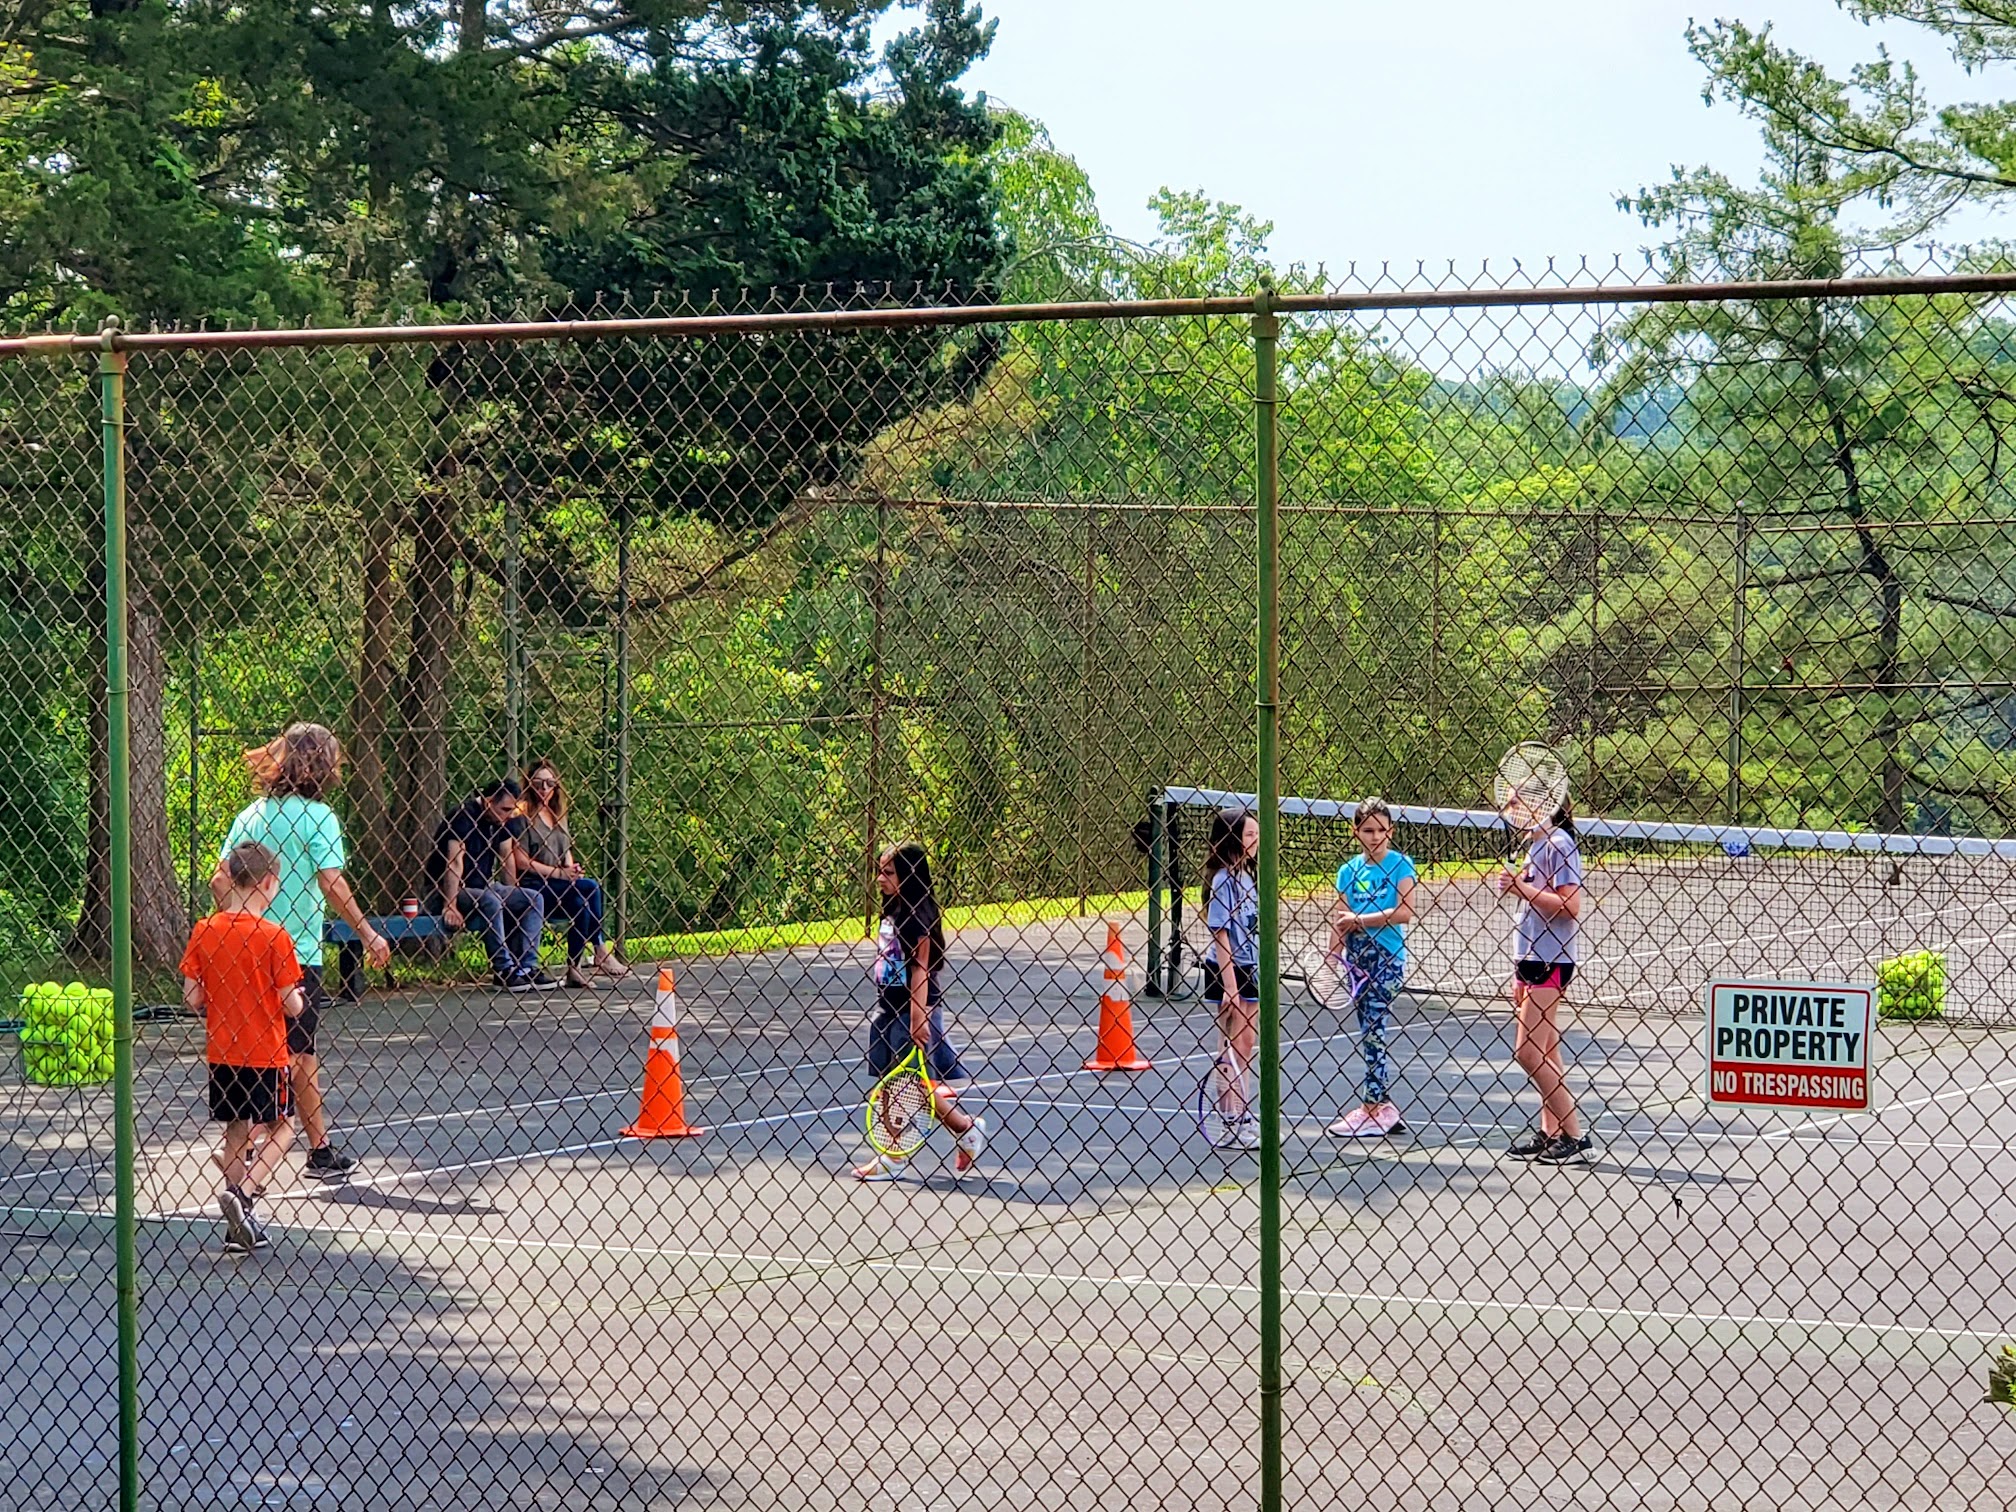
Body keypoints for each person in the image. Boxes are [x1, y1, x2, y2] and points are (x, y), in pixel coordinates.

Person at [216, 722, 386, 1181]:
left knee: (283, 1051)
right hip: (294, 954)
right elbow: (331, 881)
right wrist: (367, 933)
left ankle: (309, 1147)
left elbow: (219, 880)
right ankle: (264, 1146)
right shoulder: (319, 817)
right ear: (321, 765)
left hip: (246, 953)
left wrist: (235, 922)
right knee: (294, 1055)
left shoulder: (250, 815)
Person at [183, 841, 305, 1253]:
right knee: (283, 1125)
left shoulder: (205, 930)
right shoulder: (274, 936)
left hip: (223, 1051)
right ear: (268, 883)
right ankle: (245, 1193)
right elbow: (291, 1003)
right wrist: (298, 997)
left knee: (236, 1129)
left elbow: (192, 997)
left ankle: (237, 1225)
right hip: (265, 1050)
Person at [851, 843, 987, 1182]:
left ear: (909, 875)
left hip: (911, 1012)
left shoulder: (915, 919)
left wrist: (917, 1017)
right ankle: (965, 1128)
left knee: (902, 1086)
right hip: (887, 1009)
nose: (879, 878)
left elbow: (920, 970)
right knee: (899, 1082)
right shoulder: (893, 910)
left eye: (888, 872)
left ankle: (893, 1156)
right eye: (879, 871)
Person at [1497, 795, 1590, 1165]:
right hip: (1530, 958)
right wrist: (1518, 967)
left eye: (1517, 801)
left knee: (1527, 1052)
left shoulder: (1559, 844)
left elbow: (1570, 906)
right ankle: (1550, 1131)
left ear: (1543, 804)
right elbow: (1532, 910)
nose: (1511, 809)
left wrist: (1521, 888)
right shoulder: (1535, 845)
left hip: (1552, 959)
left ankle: (1575, 1135)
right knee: (1548, 1051)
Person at [1324, 797, 1417, 1138]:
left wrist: (1361, 920)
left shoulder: (1401, 865)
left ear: (1391, 831)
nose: (1375, 836)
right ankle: (1385, 1107)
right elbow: (1341, 920)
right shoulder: (1348, 871)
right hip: (1357, 962)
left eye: (1381, 830)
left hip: (1386, 960)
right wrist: (1331, 960)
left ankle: (1370, 1108)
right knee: (1369, 1034)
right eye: (1368, 830)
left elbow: (1405, 911)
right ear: (1356, 832)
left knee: (1375, 1032)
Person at [428, 779, 554, 993]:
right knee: (490, 900)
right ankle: (503, 970)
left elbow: (506, 858)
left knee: (533, 898)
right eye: (505, 809)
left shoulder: (501, 821)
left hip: (483, 887)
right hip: (451, 888)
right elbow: (454, 862)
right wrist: (450, 905)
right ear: (488, 802)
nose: (509, 815)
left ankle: (525, 968)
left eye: (512, 810)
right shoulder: (463, 816)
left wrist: (513, 893)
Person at [514, 759, 629, 989]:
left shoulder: (558, 814)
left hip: (559, 883)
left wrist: (572, 871)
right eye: (538, 783)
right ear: (529, 784)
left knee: (582, 901)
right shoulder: (522, 814)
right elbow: (521, 861)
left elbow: (566, 851)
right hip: (534, 884)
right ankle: (600, 949)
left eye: (550, 783)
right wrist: (560, 873)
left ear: (556, 786)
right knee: (590, 888)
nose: (544, 789)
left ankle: (574, 968)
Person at [1202, 807, 1261, 1149]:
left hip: (1250, 968)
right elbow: (1220, 935)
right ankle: (1231, 1121)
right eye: (1249, 835)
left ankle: (1243, 1115)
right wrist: (1230, 987)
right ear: (1232, 839)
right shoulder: (1223, 880)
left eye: (1257, 834)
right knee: (1230, 1048)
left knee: (1246, 1045)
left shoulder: (1247, 878)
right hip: (1229, 971)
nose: (1255, 841)